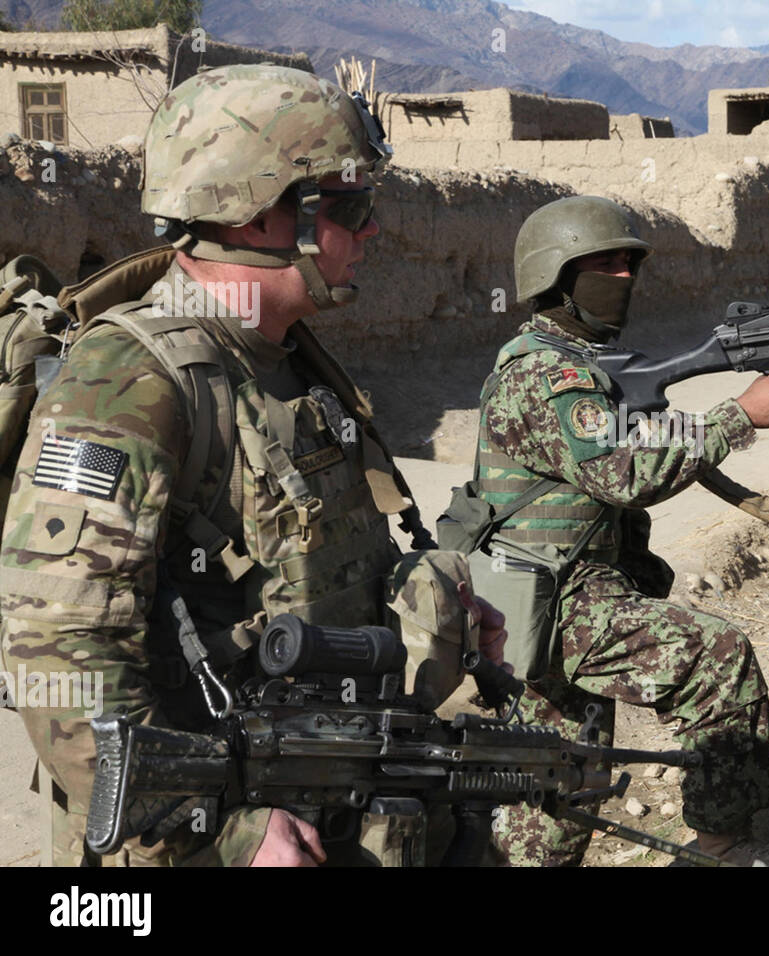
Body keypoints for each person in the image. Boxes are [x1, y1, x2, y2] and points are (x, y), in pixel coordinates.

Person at [0, 65, 503, 866]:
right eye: (351, 205)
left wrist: (429, 616)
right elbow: (57, 655)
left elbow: (297, 568)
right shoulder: (127, 381)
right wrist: (217, 826)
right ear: (260, 215)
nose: (372, 231)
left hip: (327, 801)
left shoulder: (285, 358)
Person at [476, 195, 769, 866]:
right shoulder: (548, 375)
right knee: (715, 659)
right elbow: (619, 473)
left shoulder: (575, 364)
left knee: (560, 775)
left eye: (631, 262)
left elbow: (624, 442)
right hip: (559, 598)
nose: (625, 277)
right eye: (606, 263)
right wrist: (736, 418)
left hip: (550, 594)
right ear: (557, 276)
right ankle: (720, 849)